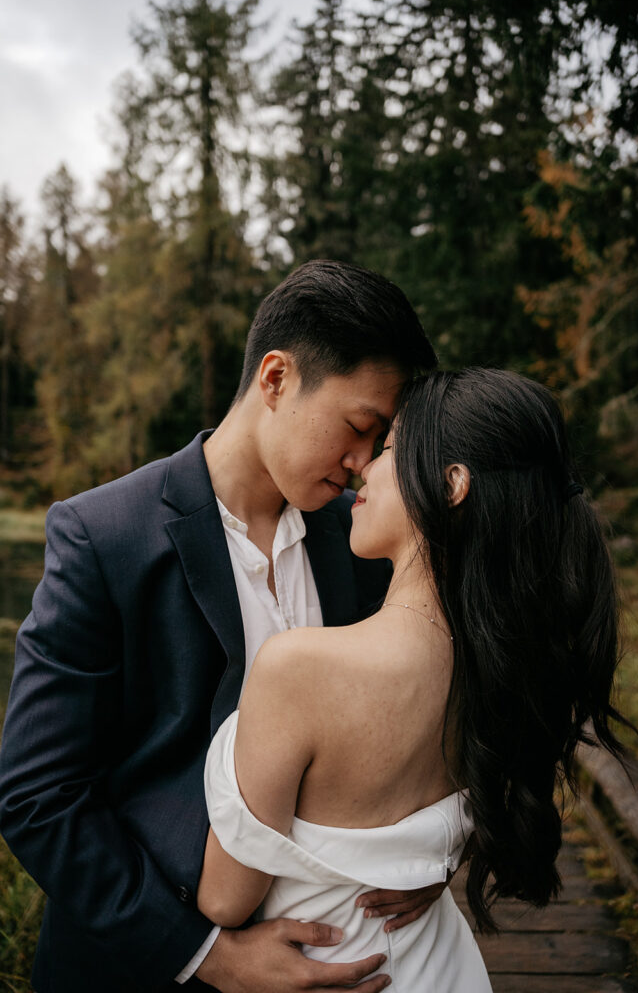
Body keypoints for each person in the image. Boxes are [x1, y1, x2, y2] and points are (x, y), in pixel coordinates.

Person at [0, 260, 438, 993]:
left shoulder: (363, 543)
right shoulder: (101, 535)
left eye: (379, 442)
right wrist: (208, 956)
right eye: (358, 428)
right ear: (274, 379)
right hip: (142, 967)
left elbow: (415, 715)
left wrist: (431, 857)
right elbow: (36, 794)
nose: (364, 464)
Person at [198, 368, 630, 992]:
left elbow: (223, 902)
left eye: (393, 448)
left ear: (452, 484)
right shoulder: (498, 666)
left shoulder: (299, 671)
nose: (365, 469)